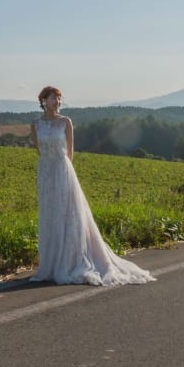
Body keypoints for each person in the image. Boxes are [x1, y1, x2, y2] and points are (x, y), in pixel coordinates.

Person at [29, 86, 154, 286]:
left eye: (60, 99)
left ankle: (70, 260)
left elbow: (70, 152)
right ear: (43, 100)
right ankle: (51, 264)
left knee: (68, 213)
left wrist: (62, 169)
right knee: (50, 214)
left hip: (63, 170)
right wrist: (49, 165)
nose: (58, 102)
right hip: (45, 171)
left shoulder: (65, 122)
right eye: (54, 98)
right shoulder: (35, 124)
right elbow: (39, 149)